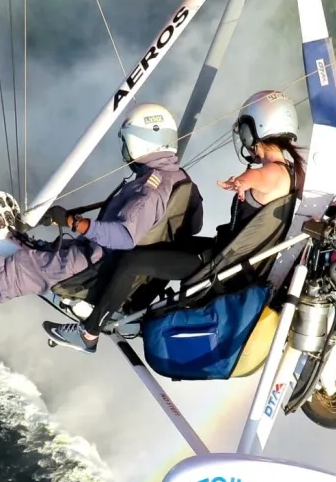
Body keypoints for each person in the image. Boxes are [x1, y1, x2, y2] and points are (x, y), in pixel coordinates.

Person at [42, 89, 304, 354]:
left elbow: (261, 178)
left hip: (222, 265)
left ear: (254, 129)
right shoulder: (292, 171)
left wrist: (241, 181)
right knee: (171, 244)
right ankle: (131, 311)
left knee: (131, 261)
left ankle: (88, 334)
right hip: (226, 255)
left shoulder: (273, 172)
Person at [0, 103, 198, 324]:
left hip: (97, 268)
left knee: (20, 269)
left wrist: (73, 222)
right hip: (122, 270)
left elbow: (123, 236)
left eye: (126, 143)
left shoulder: (150, 187)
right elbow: (189, 224)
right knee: (37, 250)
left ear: (140, 142)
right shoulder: (179, 180)